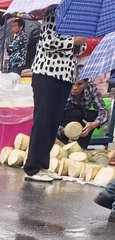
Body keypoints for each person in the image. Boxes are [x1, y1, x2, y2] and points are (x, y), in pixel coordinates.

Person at [22, 9, 88, 183]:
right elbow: (47, 41)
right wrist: (73, 40)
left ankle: (44, 165)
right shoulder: (54, 12)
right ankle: (32, 167)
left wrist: (79, 42)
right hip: (47, 73)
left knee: (53, 122)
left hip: (66, 76)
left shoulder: (77, 18)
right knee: (43, 119)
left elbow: (80, 49)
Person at [60, 75, 109, 150]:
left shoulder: (91, 88)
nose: (75, 88)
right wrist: (63, 130)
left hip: (82, 122)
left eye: (80, 84)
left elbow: (103, 111)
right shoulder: (61, 88)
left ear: (86, 83)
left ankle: (81, 148)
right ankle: (61, 146)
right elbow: (49, 118)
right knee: (74, 112)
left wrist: (94, 124)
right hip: (62, 123)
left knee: (92, 115)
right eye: (72, 83)